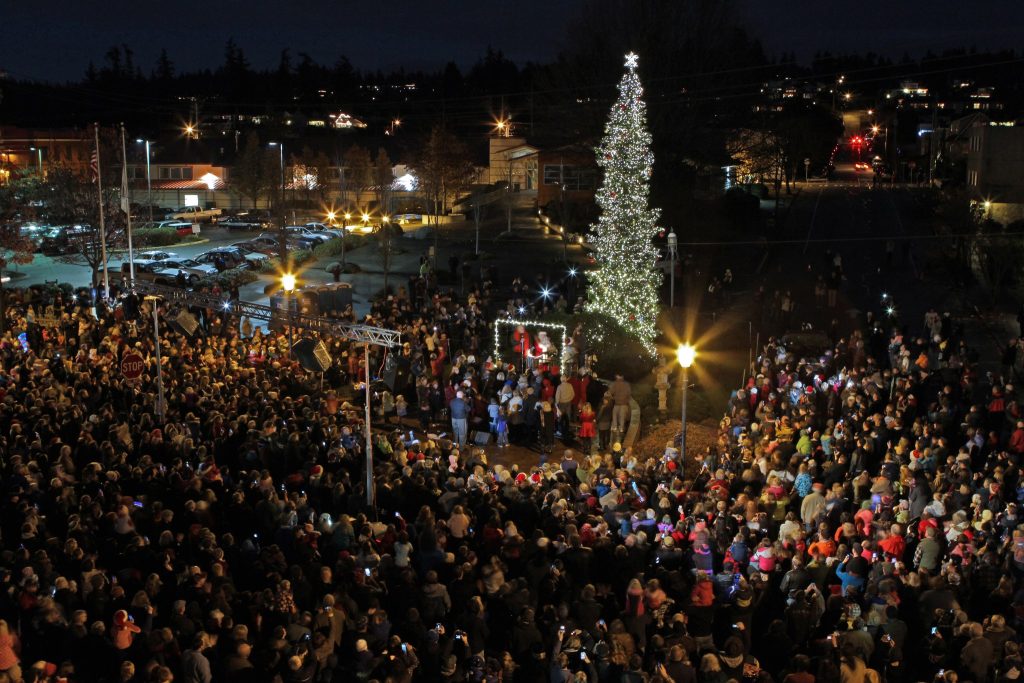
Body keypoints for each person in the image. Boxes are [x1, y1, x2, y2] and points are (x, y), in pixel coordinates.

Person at [608, 373, 632, 441]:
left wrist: (613, 397)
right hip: (624, 404)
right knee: (622, 418)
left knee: (614, 415)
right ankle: (621, 430)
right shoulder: (627, 384)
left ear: (617, 376)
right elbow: (629, 394)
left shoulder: (614, 384)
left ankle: (615, 428)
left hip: (617, 404)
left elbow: (611, 392)